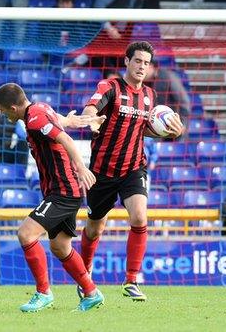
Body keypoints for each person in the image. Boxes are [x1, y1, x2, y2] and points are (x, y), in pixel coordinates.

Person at [79, 41, 184, 301]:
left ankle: (132, 280)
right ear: (127, 61)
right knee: (94, 229)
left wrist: (170, 132)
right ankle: (85, 274)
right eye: (137, 61)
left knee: (139, 217)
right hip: (102, 171)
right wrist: (91, 119)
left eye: (146, 63)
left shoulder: (150, 95)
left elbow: (144, 129)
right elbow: (91, 108)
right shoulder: (110, 86)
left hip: (133, 167)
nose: (141, 67)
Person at [0, 83, 106, 312]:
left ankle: (43, 293)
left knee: (25, 233)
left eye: (2, 110)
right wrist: (80, 121)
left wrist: (81, 168)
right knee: (60, 247)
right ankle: (91, 292)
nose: (2, 114)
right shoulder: (40, 109)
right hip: (63, 190)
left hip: (62, 191)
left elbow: (65, 139)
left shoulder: (35, 119)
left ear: (13, 107)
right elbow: (61, 122)